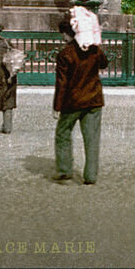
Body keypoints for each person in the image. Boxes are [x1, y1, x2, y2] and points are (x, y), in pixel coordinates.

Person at [53, 15, 108, 185]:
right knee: (92, 139)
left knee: (62, 133)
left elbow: (62, 83)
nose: (62, 37)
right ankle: (91, 176)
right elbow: (104, 63)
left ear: (70, 33)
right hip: (93, 100)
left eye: (63, 33)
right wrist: (96, 45)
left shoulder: (65, 54)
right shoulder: (94, 50)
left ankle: (65, 171)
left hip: (73, 102)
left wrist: (57, 106)